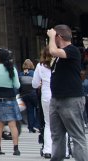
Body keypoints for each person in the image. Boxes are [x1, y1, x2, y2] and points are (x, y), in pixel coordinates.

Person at [46, 25, 87, 161]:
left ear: (59, 37)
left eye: (54, 37)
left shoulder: (72, 50)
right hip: (56, 98)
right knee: (57, 135)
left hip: (71, 99)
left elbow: (53, 51)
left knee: (77, 135)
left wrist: (51, 37)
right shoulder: (59, 54)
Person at [33, 46, 56, 159]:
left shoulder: (39, 66)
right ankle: (65, 151)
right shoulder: (59, 63)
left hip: (46, 96)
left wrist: (42, 83)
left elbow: (34, 84)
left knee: (48, 123)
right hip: (59, 95)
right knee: (62, 123)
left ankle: (48, 150)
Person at [20, 58, 39, 133]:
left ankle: (30, 127)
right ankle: (36, 125)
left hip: (25, 95)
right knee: (38, 109)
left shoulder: (20, 74)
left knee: (29, 111)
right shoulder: (33, 73)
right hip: (33, 93)